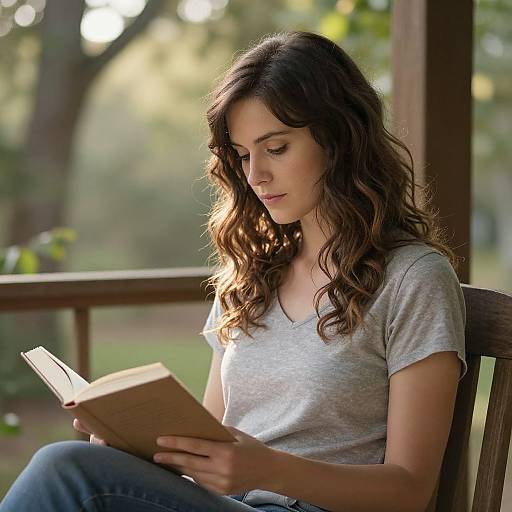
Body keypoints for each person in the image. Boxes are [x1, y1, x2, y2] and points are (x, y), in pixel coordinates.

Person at [0, 30, 467, 512]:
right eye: (243, 155)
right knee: (81, 466)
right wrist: (130, 445)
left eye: (277, 148)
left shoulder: (414, 278)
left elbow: (410, 490)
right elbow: (210, 446)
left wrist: (268, 469)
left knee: (67, 472)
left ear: (340, 137)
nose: (255, 175)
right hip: (231, 505)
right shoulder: (253, 277)